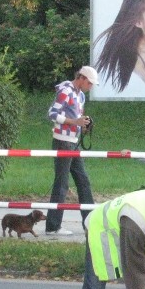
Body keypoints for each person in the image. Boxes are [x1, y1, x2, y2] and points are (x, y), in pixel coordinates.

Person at [45, 66, 98, 236]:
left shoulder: (80, 95)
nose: (91, 87)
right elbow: (52, 114)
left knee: (83, 181)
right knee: (62, 183)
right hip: (63, 141)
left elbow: (75, 117)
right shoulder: (66, 91)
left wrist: (83, 124)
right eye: (89, 83)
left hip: (73, 142)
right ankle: (53, 227)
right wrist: (75, 122)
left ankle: (90, 222)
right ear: (81, 78)